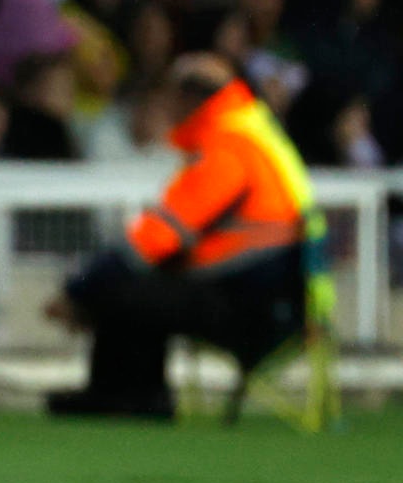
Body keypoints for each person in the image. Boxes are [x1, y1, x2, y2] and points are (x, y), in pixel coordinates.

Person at [44, 55, 317, 418]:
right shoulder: (250, 135)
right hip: (275, 298)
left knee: (124, 284)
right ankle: (131, 394)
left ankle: (127, 397)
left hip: (254, 307)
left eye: (170, 96)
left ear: (191, 99)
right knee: (137, 281)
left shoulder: (227, 147)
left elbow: (157, 237)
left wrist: (78, 290)